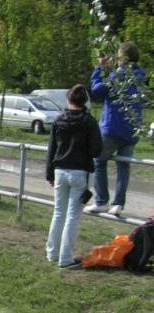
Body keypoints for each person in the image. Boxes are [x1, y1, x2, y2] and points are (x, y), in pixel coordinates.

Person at [45, 84, 102, 269]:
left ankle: (52, 253)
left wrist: (49, 173)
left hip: (59, 170)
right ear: (85, 101)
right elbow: (96, 149)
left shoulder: (58, 120)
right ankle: (66, 259)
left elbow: (51, 149)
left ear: (68, 99)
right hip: (79, 172)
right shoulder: (89, 121)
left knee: (58, 213)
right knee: (72, 217)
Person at [87, 41, 147, 215]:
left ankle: (102, 201)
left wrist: (99, 68)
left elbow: (96, 90)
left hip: (112, 128)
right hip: (132, 129)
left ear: (124, 58)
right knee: (123, 166)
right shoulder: (140, 76)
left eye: (118, 56)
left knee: (99, 161)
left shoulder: (118, 76)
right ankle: (118, 204)